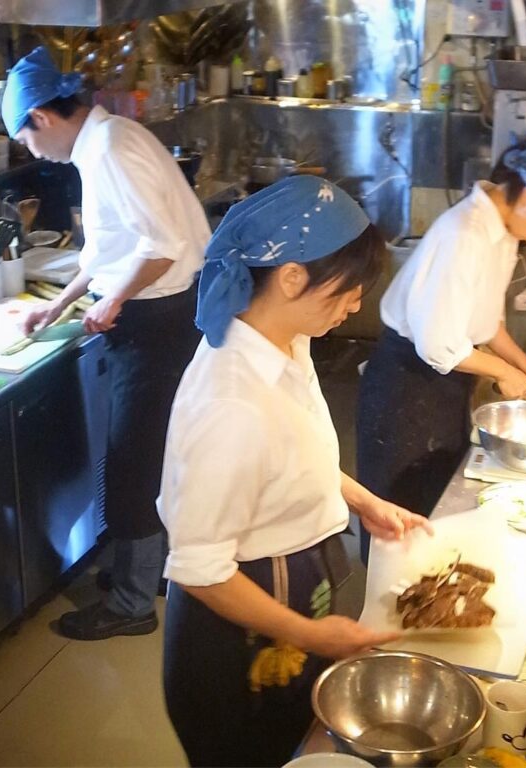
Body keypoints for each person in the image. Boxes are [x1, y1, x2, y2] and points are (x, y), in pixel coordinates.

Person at [158, 175, 432, 768]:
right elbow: (199, 568)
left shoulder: (284, 340)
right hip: (239, 641)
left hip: (294, 593)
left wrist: (363, 500)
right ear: (290, 277)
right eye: (348, 289)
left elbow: (291, 453)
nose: (356, 304)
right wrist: (311, 635)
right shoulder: (231, 402)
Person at [2, 47, 211, 640]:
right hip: (158, 315)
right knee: (153, 455)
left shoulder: (112, 149)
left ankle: (131, 604)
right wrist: (61, 303)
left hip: (158, 322)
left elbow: (164, 246)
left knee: (133, 463)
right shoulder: (107, 141)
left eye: (25, 139)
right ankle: (149, 569)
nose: (31, 152)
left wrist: (114, 301)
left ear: (42, 117)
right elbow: (111, 249)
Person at [356, 134, 526, 560]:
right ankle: (383, 596)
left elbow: (485, 322)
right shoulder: (464, 234)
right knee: (397, 525)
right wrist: (504, 372)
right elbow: (438, 346)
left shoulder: (503, 232)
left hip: (445, 386)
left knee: (434, 516)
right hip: (405, 389)